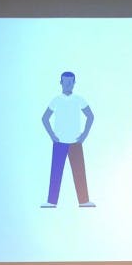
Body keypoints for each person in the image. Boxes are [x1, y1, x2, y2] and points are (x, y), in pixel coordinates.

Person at [41, 71, 95, 208]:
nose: (68, 85)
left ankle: (84, 201)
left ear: (74, 83)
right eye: (65, 82)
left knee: (79, 171)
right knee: (56, 172)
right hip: (59, 142)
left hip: (75, 142)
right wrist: (52, 136)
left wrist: (84, 135)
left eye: (70, 82)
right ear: (61, 83)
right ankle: (51, 202)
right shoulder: (56, 100)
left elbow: (90, 116)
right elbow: (45, 118)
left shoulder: (79, 99)